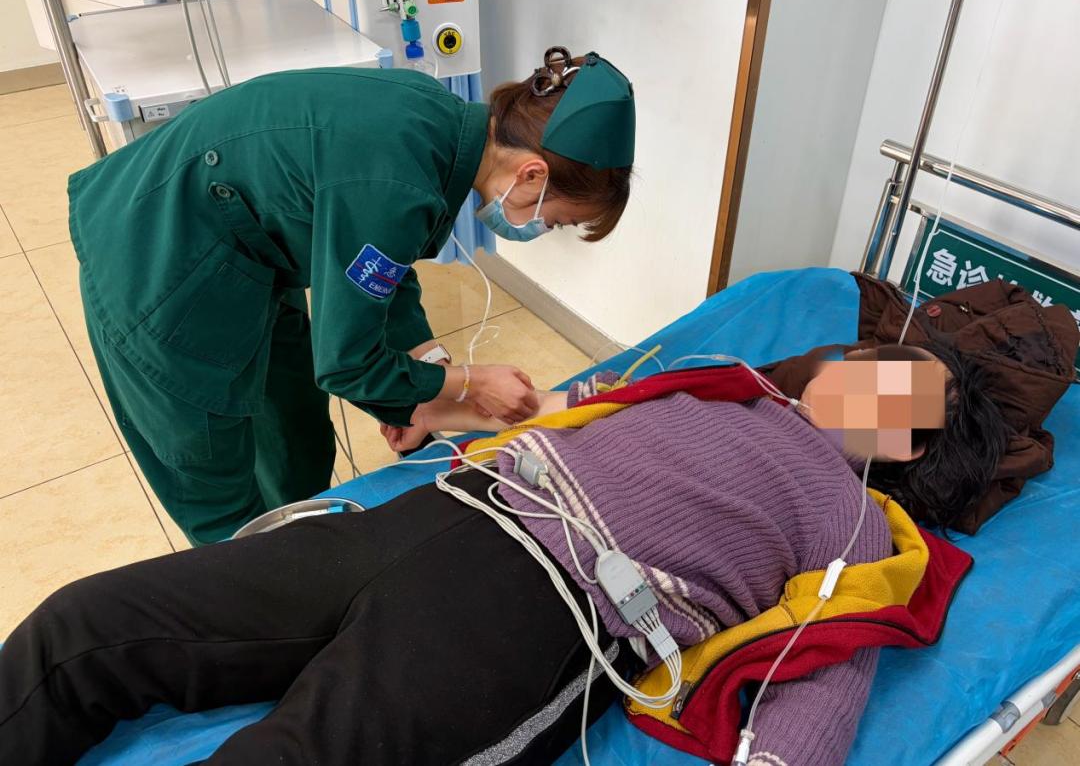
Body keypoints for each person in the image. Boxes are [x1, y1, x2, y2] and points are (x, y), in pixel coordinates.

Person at [0, 342, 1009, 766]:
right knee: (88, 623)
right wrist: (439, 404)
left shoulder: (854, 522)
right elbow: (554, 411)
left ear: (907, 446)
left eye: (896, 387)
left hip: (548, 610)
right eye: (873, 358)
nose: (864, 372)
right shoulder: (721, 386)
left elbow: (823, 681)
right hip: (434, 513)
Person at [68, 46, 635, 545]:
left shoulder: (434, 126)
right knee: (217, 484)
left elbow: (382, 262)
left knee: (296, 434)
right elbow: (345, 364)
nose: (542, 229)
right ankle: (252, 590)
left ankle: (297, 544)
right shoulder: (397, 175)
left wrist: (428, 373)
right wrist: (466, 382)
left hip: (249, 253)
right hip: (156, 254)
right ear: (533, 175)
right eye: (557, 220)